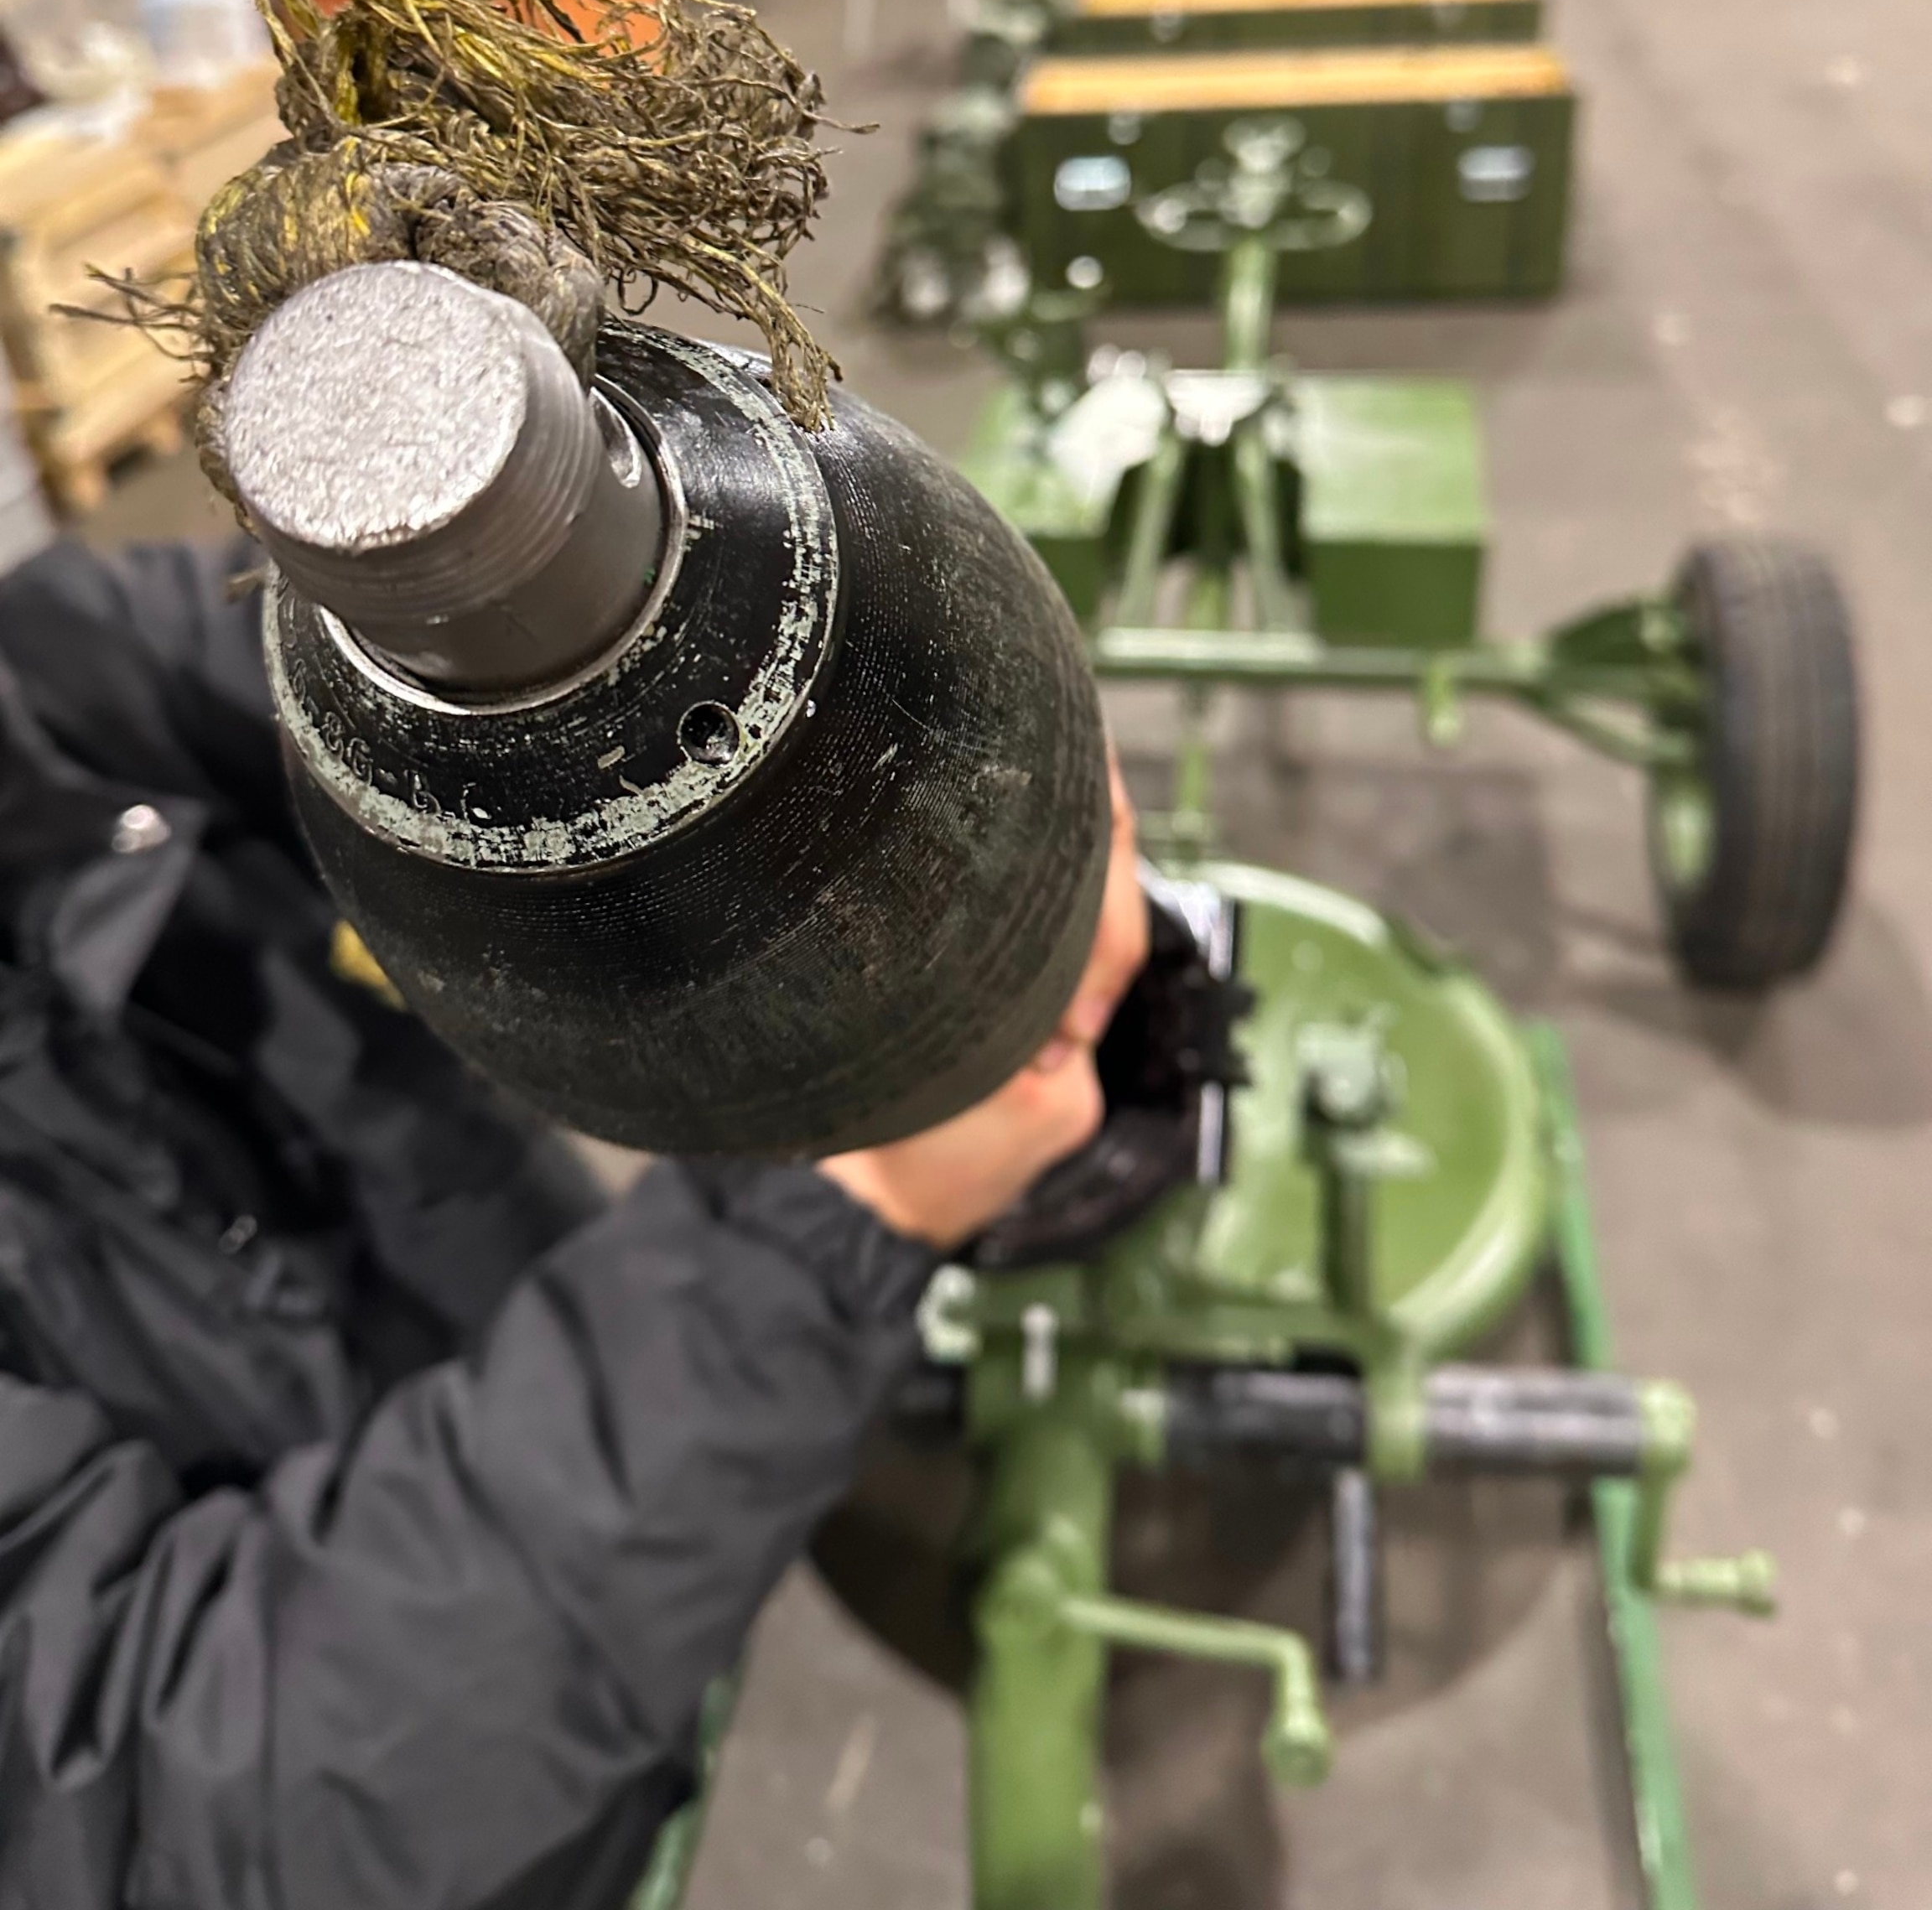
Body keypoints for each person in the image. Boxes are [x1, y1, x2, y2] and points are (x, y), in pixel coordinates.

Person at [0, 530, 1154, 1906]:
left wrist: (638, 731)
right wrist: (837, 1221)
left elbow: (108, 650)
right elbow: (175, 1801)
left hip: (472, 1336)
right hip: (447, 1786)